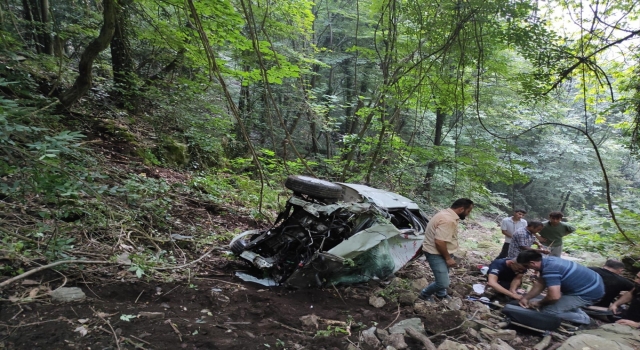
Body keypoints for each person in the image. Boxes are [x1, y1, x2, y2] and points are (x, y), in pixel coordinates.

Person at [517, 250, 604, 324]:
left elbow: (554, 297)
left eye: (526, 266)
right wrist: (526, 298)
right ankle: (576, 310)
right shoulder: (549, 261)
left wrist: (539, 303)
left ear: (532, 263)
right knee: (549, 304)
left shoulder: (550, 269)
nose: (528, 269)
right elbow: (540, 283)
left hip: (589, 293)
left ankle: (584, 319)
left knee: (548, 311)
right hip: (588, 286)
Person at [419, 198, 474, 302]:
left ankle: (441, 294)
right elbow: (439, 242)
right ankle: (424, 294)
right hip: (436, 253)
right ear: (461, 209)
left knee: (444, 274)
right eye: (468, 211)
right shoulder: (448, 220)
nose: (468, 214)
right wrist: (448, 258)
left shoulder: (446, 214)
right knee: (443, 282)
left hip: (442, 252)